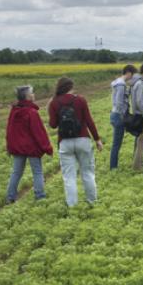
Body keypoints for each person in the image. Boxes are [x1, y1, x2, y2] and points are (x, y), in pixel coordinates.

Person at [48, 77, 103, 207]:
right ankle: (92, 201)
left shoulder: (54, 102)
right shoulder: (80, 100)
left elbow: (53, 125)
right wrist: (97, 139)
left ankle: (72, 205)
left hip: (65, 143)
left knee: (69, 177)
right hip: (83, 140)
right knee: (88, 173)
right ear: (71, 87)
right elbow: (89, 121)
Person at [5, 85, 53, 203]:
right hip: (32, 148)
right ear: (27, 96)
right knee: (37, 172)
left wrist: (10, 147)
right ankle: (40, 196)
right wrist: (47, 147)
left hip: (18, 148)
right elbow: (39, 132)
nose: (34, 94)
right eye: (32, 93)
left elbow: (10, 131)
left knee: (16, 172)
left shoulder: (14, 111)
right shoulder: (32, 112)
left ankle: (10, 197)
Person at [109, 64, 138, 170]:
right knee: (117, 143)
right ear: (129, 73)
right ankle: (113, 167)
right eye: (133, 74)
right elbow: (118, 102)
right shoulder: (121, 85)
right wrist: (123, 116)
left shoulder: (117, 82)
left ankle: (135, 160)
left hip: (115, 114)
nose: (133, 77)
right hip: (119, 116)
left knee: (136, 134)